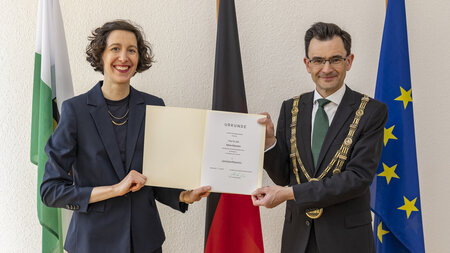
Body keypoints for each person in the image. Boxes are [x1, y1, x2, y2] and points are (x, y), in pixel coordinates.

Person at [40, 20, 211, 253]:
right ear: (100, 55)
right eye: (115, 49)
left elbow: (156, 177)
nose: (124, 57)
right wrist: (115, 189)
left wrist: (184, 195)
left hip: (144, 242)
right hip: (92, 243)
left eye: (132, 50)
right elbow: (51, 191)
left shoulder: (155, 106)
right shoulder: (75, 111)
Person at [252, 22, 388, 253]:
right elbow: (284, 176)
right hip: (298, 240)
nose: (326, 69)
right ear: (307, 64)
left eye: (335, 59)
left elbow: (357, 178)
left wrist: (288, 194)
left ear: (349, 61)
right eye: (318, 60)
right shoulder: (291, 108)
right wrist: (269, 144)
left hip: (347, 241)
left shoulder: (371, 112)